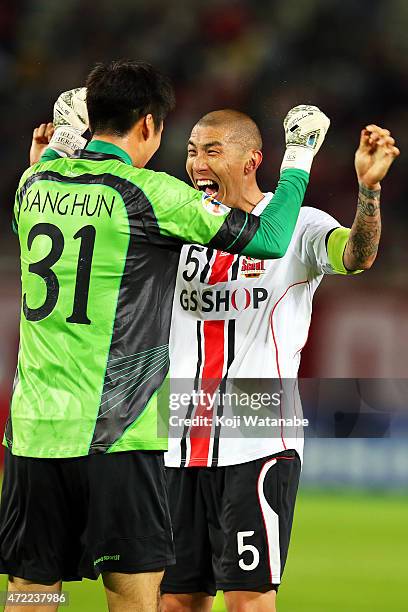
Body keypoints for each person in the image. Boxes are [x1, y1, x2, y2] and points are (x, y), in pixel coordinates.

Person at [0, 61, 328, 612]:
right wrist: (298, 159)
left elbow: (32, 208)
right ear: (149, 126)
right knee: (134, 592)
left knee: (32, 589)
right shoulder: (152, 193)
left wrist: (57, 144)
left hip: (33, 428)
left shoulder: (34, 184)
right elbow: (270, 238)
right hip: (118, 430)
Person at [160, 110, 400, 612]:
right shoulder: (182, 223)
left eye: (211, 150)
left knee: (248, 601)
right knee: (176, 602)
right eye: (191, 150)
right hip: (179, 440)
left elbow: (357, 255)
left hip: (258, 438)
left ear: (252, 160)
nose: (196, 163)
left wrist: (368, 192)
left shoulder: (300, 224)